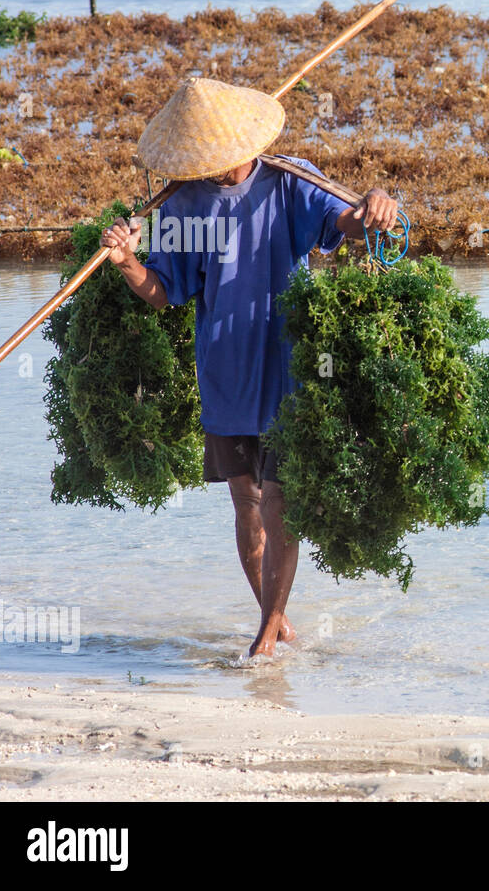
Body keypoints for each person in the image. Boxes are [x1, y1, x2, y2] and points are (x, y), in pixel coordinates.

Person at [102, 77, 398, 658]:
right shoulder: (183, 203)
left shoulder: (292, 181)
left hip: (288, 369)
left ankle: (265, 633)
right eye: (199, 160)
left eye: (216, 156)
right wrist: (128, 262)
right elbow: (165, 292)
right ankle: (277, 617)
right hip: (225, 372)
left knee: (280, 499)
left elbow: (346, 224)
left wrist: (376, 209)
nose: (210, 168)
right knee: (247, 504)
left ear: (244, 142)